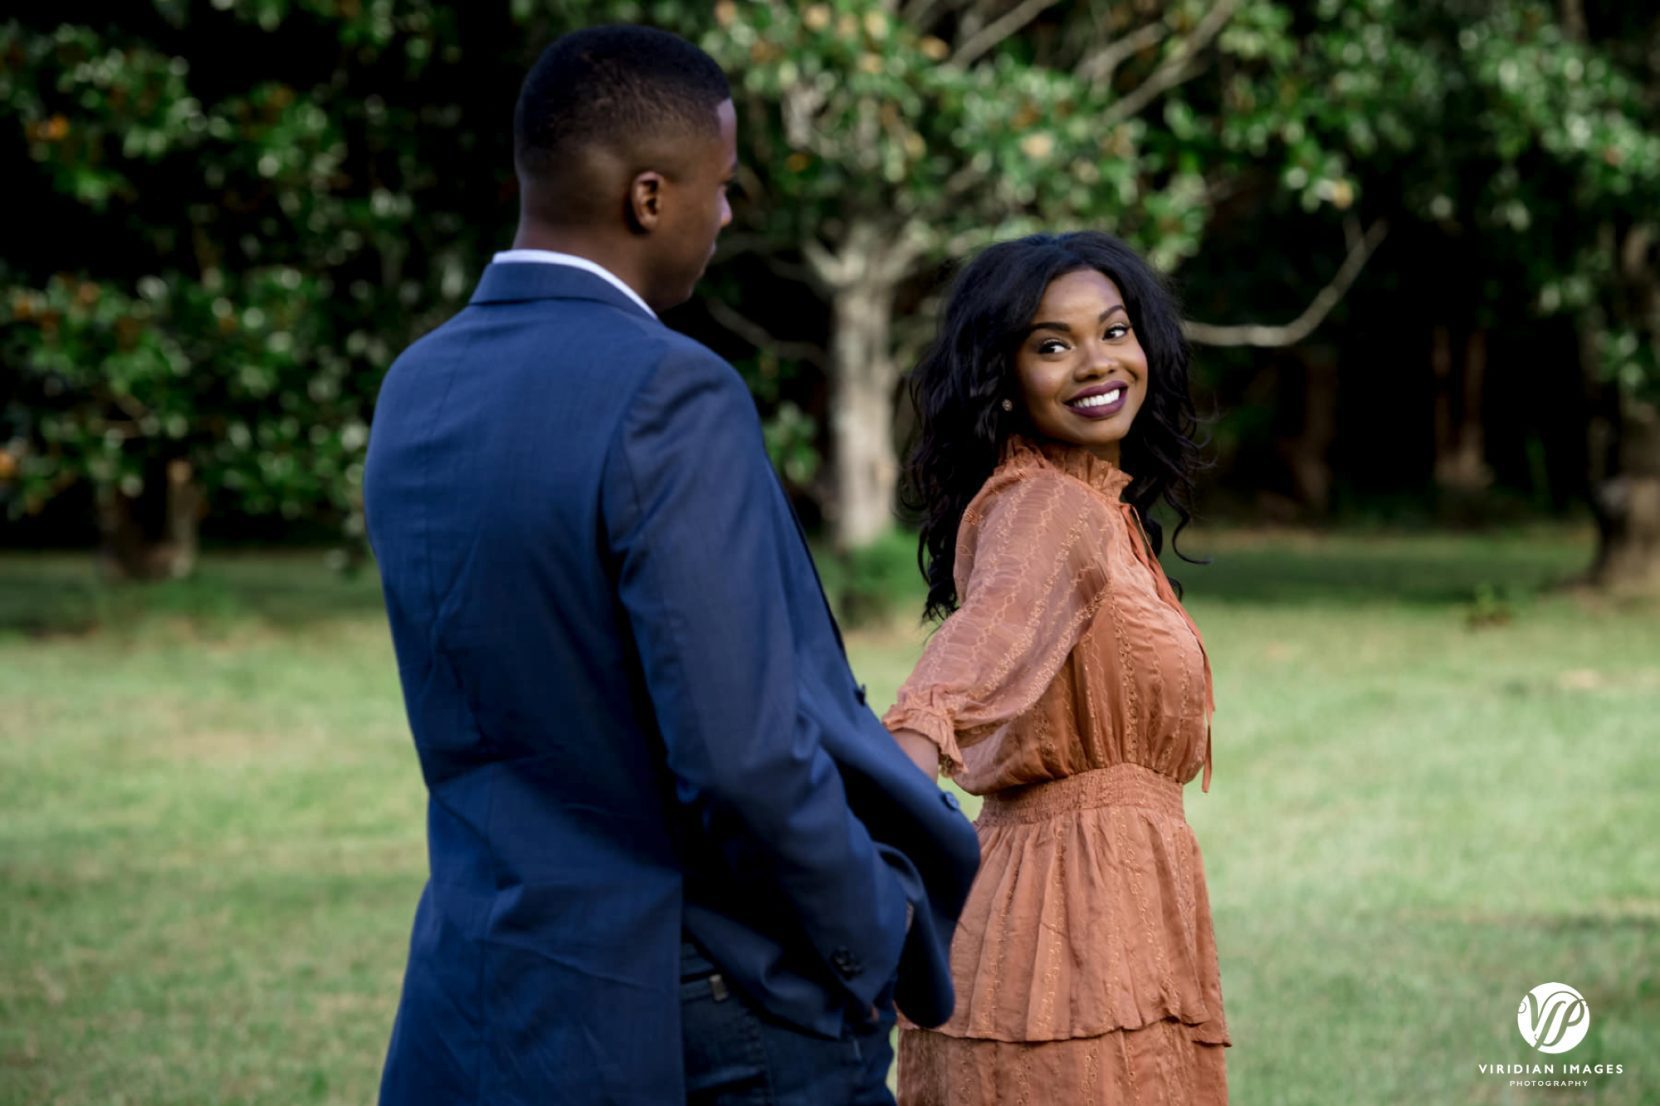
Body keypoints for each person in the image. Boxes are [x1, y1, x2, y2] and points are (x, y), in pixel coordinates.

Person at [362, 25, 980, 1106]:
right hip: (702, 1002)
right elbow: (741, 755)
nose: (725, 216)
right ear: (649, 197)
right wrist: (865, 932)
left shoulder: (417, 383)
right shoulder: (670, 392)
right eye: (722, 186)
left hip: (486, 987)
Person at [883, 231, 1230, 1104]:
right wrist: (891, 782)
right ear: (1002, 378)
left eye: (1113, 332)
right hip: (1062, 930)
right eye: (1051, 345)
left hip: (1107, 910)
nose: (1094, 362)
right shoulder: (1047, 507)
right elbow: (976, 646)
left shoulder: (1096, 511)